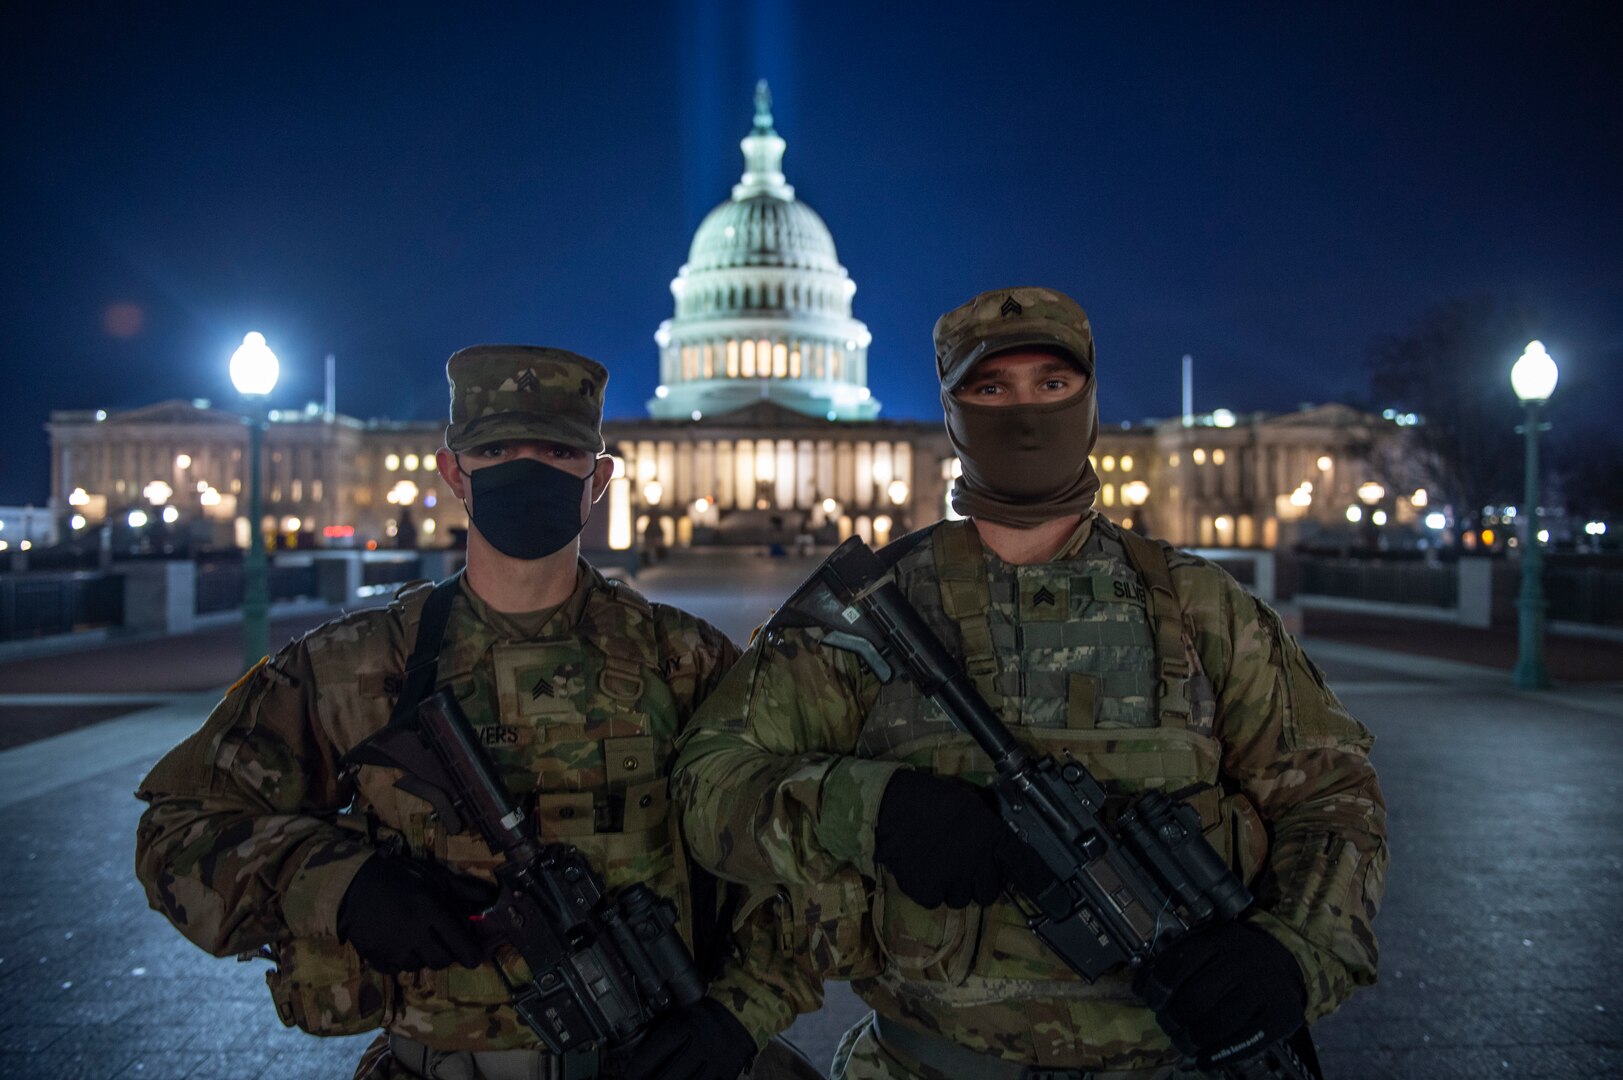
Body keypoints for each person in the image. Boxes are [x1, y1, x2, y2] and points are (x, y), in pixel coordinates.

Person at [672, 288, 1389, 1079]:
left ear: (1087, 402)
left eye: (1051, 384)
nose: (1023, 412)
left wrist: (1291, 954)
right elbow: (705, 786)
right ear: (950, 410)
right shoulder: (866, 615)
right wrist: (865, 809)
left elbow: (1332, 794)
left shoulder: (1201, 607)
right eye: (990, 388)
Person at [136, 345, 819, 1080]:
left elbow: (803, 860)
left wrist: (737, 1016)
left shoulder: (684, 662)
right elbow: (175, 829)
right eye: (496, 449)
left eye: (557, 450)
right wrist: (342, 885)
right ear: (454, 473)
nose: (526, 471)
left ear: (598, 480)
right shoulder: (356, 664)